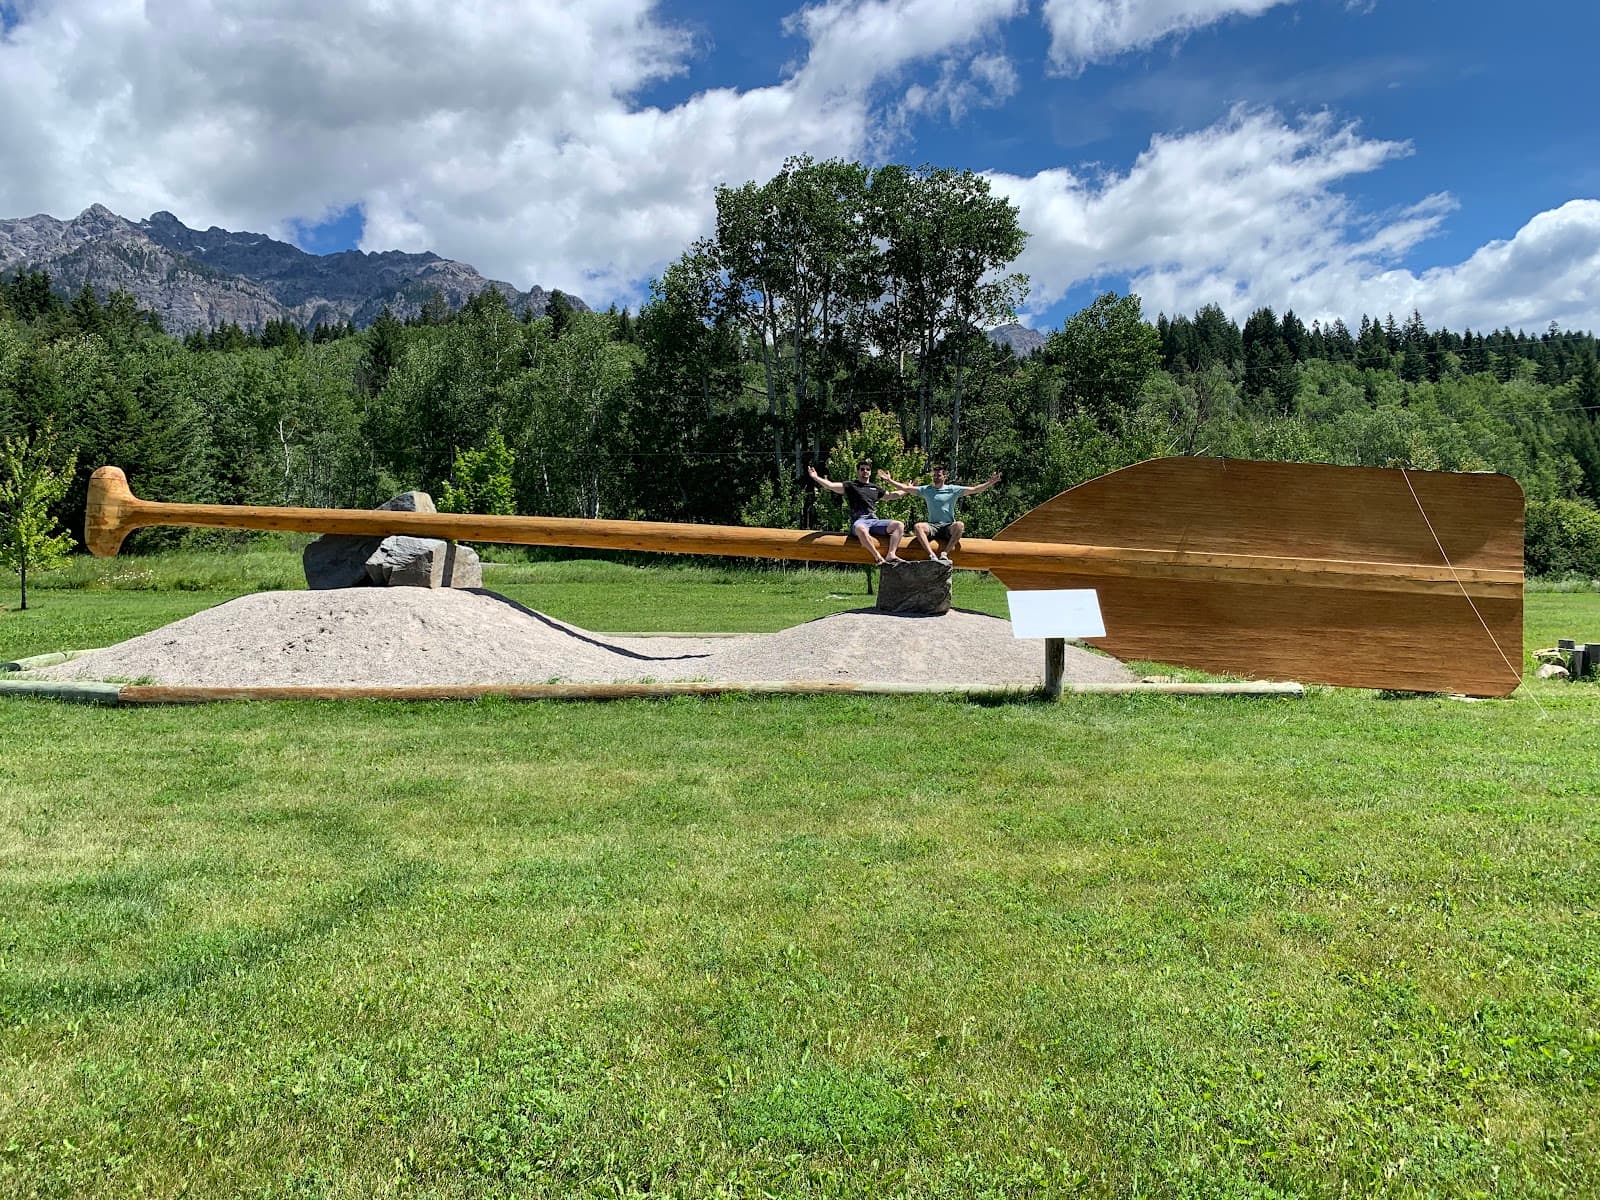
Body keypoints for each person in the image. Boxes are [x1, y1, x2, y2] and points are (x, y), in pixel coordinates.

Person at [880, 463, 1001, 562]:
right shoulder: (927, 490)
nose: (936, 477)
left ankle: (944, 553)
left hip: (948, 526)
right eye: (935, 475)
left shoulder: (953, 489)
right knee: (918, 526)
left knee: (960, 525)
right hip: (932, 526)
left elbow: (975, 489)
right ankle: (931, 555)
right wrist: (890, 481)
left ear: (944, 477)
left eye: (939, 475)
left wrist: (990, 483)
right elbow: (906, 488)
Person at [807, 460, 906, 565]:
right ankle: (878, 557)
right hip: (860, 521)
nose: (865, 471)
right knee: (861, 529)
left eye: (868, 469)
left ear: (870, 472)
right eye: (862, 469)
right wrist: (815, 477)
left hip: (874, 521)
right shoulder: (851, 485)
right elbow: (831, 485)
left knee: (899, 525)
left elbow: (891, 495)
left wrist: (907, 490)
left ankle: (891, 555)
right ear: (858, 471)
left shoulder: (875, 488)